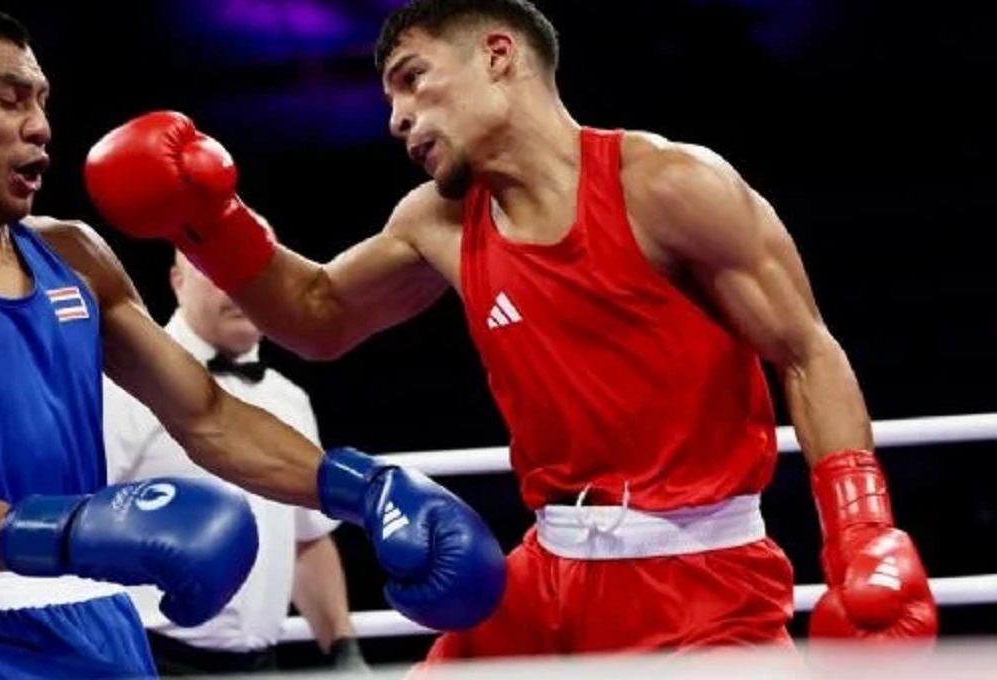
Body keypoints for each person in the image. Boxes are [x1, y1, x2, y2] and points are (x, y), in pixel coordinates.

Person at [82, 0, 939, 665]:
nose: (396, 118)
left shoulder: (671, 186)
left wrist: (862, 531)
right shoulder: (440, 220)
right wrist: (212, 221)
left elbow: (805, 350)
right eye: (388, 96)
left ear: (499, 55)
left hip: (704, 585)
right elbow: (319, 318)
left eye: (412, 79)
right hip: (540, 579)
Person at [0, 3, 506, 678]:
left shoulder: (71, 255)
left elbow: (207, 415)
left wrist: (361, 488)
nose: (40, 126)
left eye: (42, 101)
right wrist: (79, 528)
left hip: (108, 628)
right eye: (11, 98)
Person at [103, 251, 367, 675]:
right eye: (213, 270)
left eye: (251, 272)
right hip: (146, 656)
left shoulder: (289, 399)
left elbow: (306, 538)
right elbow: (76, 515)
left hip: (261, 664)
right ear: (177, 281)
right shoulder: (128, 383)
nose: (237, 286)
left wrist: (343, 648)